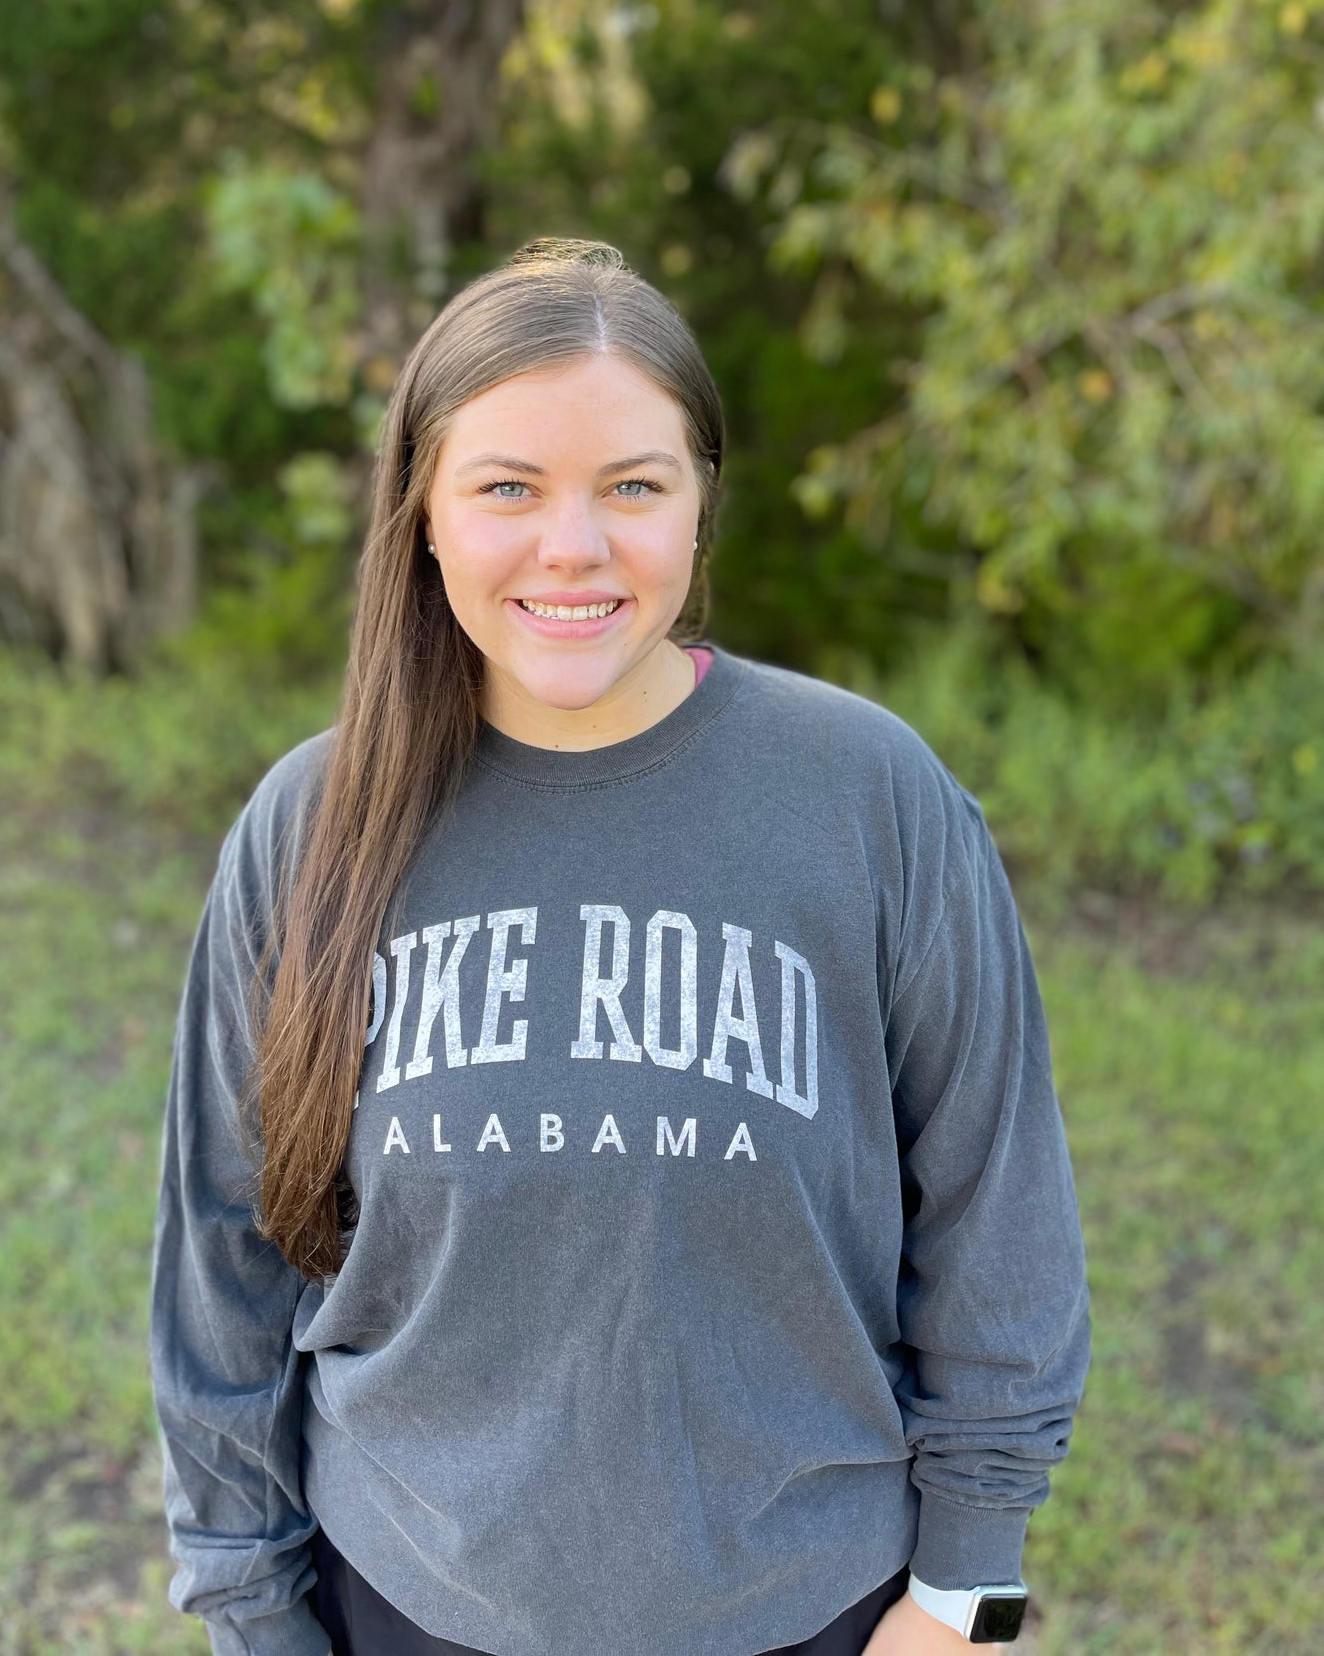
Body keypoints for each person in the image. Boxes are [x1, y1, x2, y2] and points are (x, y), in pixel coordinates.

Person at [149, 237, 1091, 1656]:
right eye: (507, 488)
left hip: (812, 1610)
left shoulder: (865, 796)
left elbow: (993, 1212)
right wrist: (251, 1615)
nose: (572, 547)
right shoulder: (311, 824)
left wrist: (965, 1589)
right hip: (405, 1606)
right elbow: (224, 1261)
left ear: (701, 504)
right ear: (422, 514)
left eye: (632, 487)